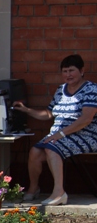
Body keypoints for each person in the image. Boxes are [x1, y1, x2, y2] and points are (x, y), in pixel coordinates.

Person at [14, 54, 97, 207]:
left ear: (82, 71)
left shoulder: (92, 89)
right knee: (35, 151)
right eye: (64, 71)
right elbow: (49, 113)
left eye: (71, 71)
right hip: (59, 135)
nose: (68, 75)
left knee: (52, 149)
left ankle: (59, 192)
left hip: (85, 134)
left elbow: (86, 119)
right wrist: (26, 110)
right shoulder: (61, 90)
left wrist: (61, 134)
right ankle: (34, 188)